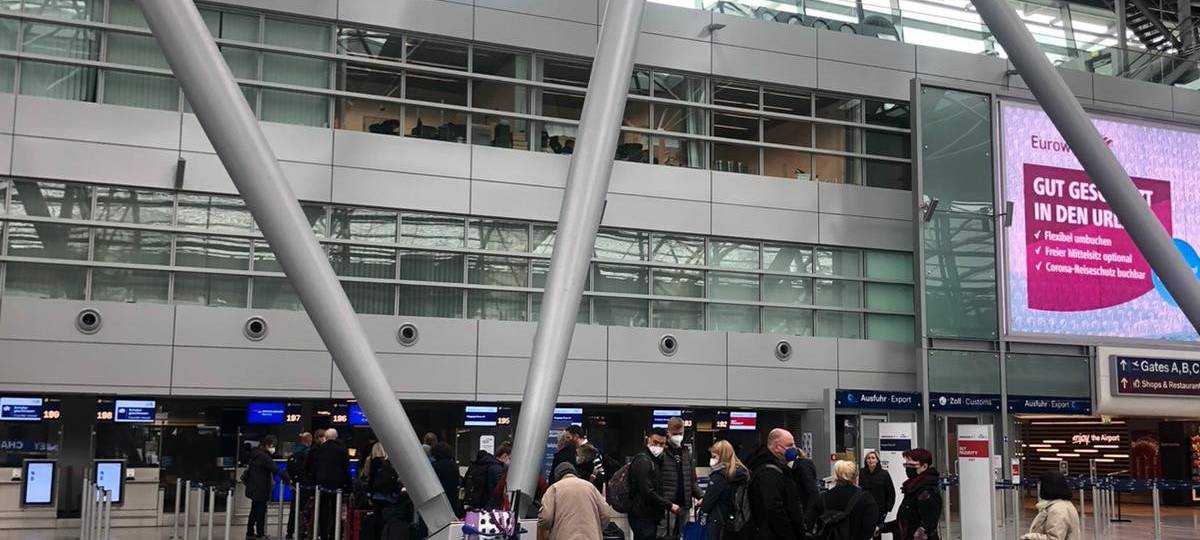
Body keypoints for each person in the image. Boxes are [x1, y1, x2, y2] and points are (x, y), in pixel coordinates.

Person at [747, 428, 805, 540]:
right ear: (777, 447)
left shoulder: (776, 469)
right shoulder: (768, 473)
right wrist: (790, 535)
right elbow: (774, 509)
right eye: (790, 445)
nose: (794, 449)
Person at [538, 462, 612, 540]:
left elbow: (546, 518)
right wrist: (596, 529)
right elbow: (606, 514)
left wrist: (550, 530)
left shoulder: (554, 488)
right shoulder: (590, 487)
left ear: (557, 476)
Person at [880, 448, 942, 540]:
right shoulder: (912, 488)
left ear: (924, 466)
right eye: (906, 465)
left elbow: (927, 526)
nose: (908, 468)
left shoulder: (927, 492)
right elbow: (905, 520)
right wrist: (881, 528)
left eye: (912, 465)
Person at [629, 428, 677, 540]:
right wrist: (669, 505)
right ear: (647, 440)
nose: (658, 446)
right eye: (655, 442)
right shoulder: (644, 461)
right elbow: (647, 492)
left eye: (662, 444)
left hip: (648, 514)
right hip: (643, 515)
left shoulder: (654, 460)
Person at [811, 460, 878, 540]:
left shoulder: (822, 497)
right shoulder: (866, 499)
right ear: (856, 476)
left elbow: (812, 523)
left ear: (836, 476)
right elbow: (869, 527)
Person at [698, 440, 749, 540]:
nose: (711, 460)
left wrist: (702, 515)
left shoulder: (719, 475)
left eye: (714, 457)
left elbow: (709, 501)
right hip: (736, 519)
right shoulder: (742, 472)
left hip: (718, 519)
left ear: (722, 457)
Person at [662, 417, 703, 538]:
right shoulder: (662, 453)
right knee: (666, 535)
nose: (678, 436)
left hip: (684, 504)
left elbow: (692, 480)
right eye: (675, 434)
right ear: (668, 432)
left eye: (681, 433)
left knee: (684, 535)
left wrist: (701, 495)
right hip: (667, 505)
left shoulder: (686, 453)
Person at [244, 435, 291, 540]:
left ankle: (250, 532)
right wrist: (288, 479)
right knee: (261, 511)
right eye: (272, 446)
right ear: (267, 445)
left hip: (253, 486)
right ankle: (260, 534)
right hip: (261, 488)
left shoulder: (255, 454)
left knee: (254, 510)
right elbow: (276, 469)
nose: (273, 448)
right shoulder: (264, 457)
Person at [308, 428, 350, 540]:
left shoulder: (320, 449)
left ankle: (323, 533)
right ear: (336, 437)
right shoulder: (342, 450)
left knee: (323, 511)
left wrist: (312, 487)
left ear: (326, 437)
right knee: (336, 511)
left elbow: (314, 469)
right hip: (337, 485)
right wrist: (349, 487)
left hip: (322, 484)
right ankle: (335, 534)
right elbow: (346, 469)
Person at [1021, 471, 1081, 540]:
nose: (1040, 488)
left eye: (1042, 485)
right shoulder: (1062, 505)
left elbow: (1055, 538)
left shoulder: (1058, 510)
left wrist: (1030, 537)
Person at [285, 432, 314, 540]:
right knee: (306, 510)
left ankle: (290, 531)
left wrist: (291, 482)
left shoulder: (294, 452)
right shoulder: (307, 452)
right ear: (308, 440)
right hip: (306, 486)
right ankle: (303, 531)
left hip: (295, 486)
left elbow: (289, 470)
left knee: (294, 509)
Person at [860, 451, 895, 529]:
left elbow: (891, 493)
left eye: (873, 458)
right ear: (866, 460)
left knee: (877, 531)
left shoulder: (884, 474)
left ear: (877, 460)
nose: (871, 460)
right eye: (868, 458)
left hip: (880, 508)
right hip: (865, 507)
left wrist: (888, 508)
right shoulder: (861, 472)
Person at [431, 442, 463, 518]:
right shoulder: (454, 465)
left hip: (437, 498)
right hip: (451, 498)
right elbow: (457, 482)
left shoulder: (433, 466)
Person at [790, 447, 821, 521]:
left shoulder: (801, 466)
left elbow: (813, 491)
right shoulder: (805, 464)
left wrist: (806, 517)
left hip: (804, 509)